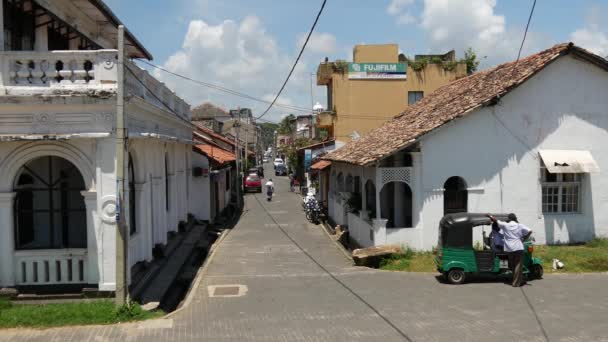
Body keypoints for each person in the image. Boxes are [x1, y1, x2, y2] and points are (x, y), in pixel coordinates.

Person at [488, 213, 532, 287]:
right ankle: (516, 282)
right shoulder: (519, 225)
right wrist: (524, 238)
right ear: (515, 219)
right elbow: (530, 231)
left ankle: (517, 280)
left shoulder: (505, 225)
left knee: (512, 265)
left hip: (510, 249)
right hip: (519, 248)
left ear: (509, 219)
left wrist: (490, 216)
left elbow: (496, 220)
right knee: (518, 266)